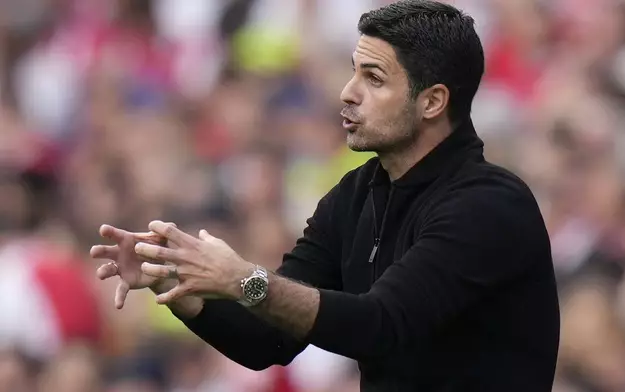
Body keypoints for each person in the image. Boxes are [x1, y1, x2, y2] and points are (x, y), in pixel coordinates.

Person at [91, 1, 560, 390]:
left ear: (432, 101)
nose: (348, 92)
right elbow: (267, 341)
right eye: (353, 72)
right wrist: (175, 281)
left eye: (374, 79)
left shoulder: (490, 204)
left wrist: (244, 280)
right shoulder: (353, 196)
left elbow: (382, 325)